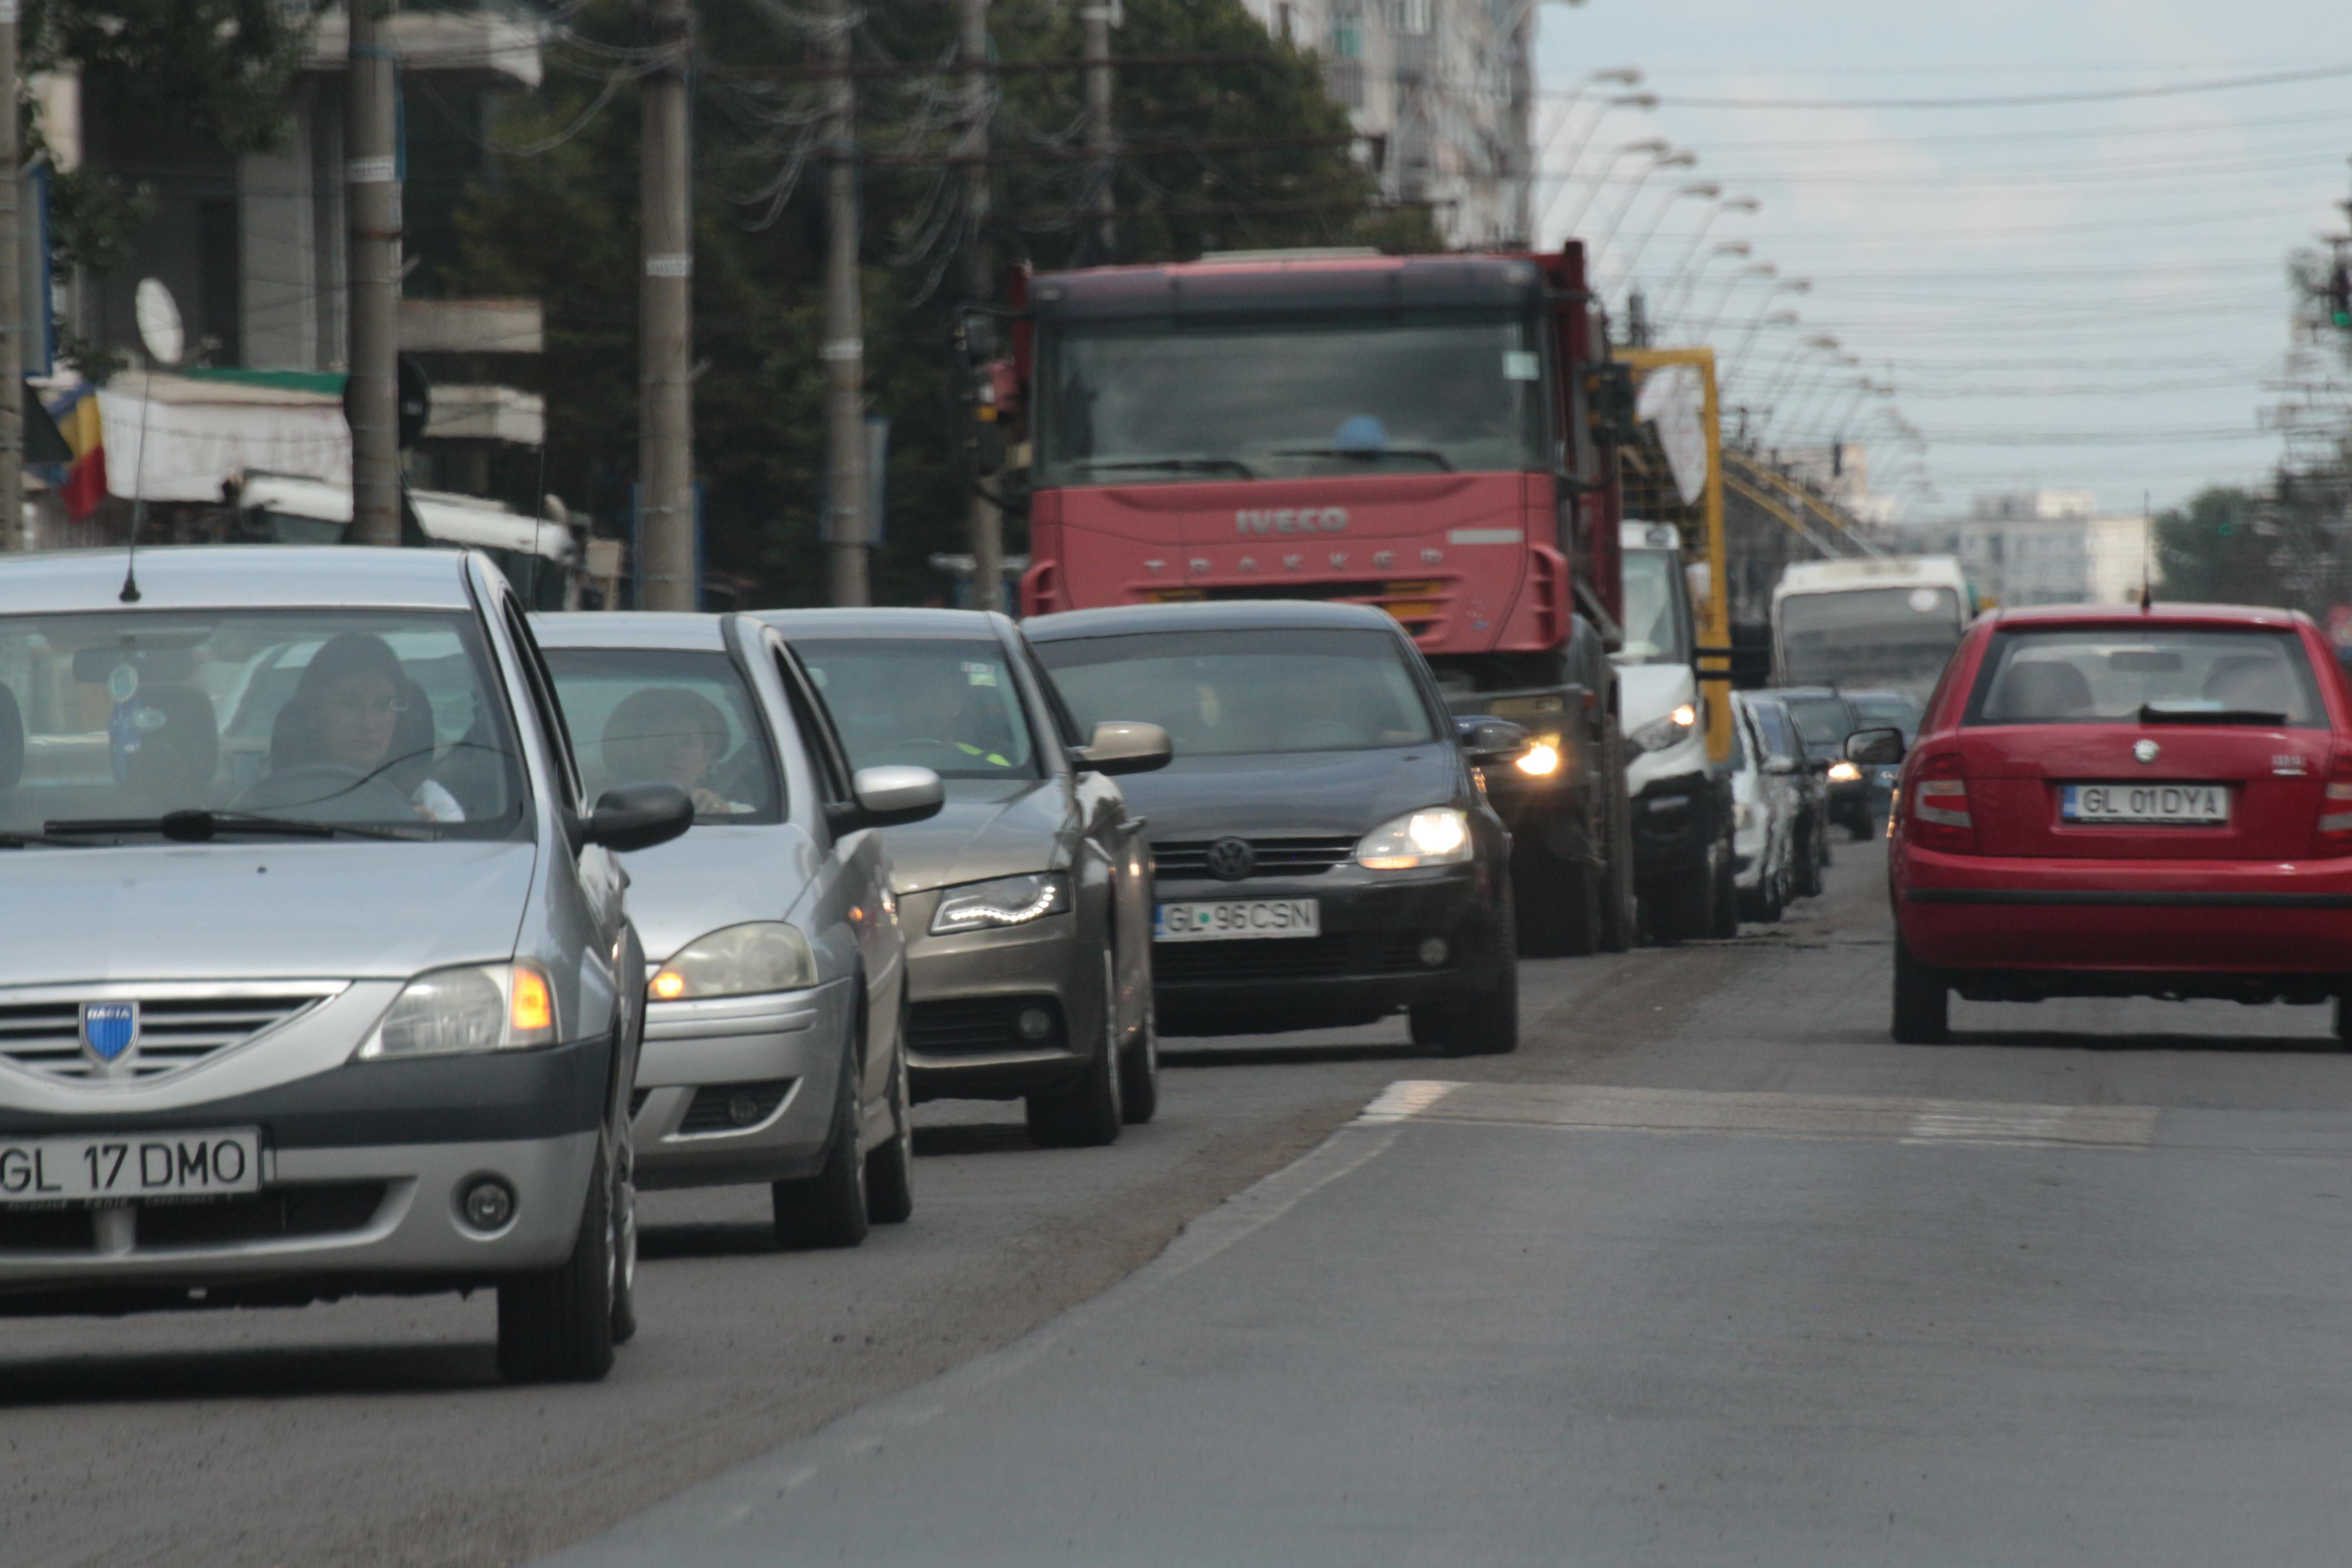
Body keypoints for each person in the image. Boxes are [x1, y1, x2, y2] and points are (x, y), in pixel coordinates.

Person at [278, 632, 464, 822]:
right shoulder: (270, 806)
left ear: (398, 719)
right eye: (349, 703)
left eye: (384, 706)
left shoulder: (431, 804)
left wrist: (427, 833)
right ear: (315, 713)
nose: (368, 724)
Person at [603, 686, 747, 815]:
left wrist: (722, 812)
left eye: (688, 743)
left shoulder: (744, 818)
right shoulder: (601, 813)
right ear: (639, 750)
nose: (676, 752)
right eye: (664, 741)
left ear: (706, 758)